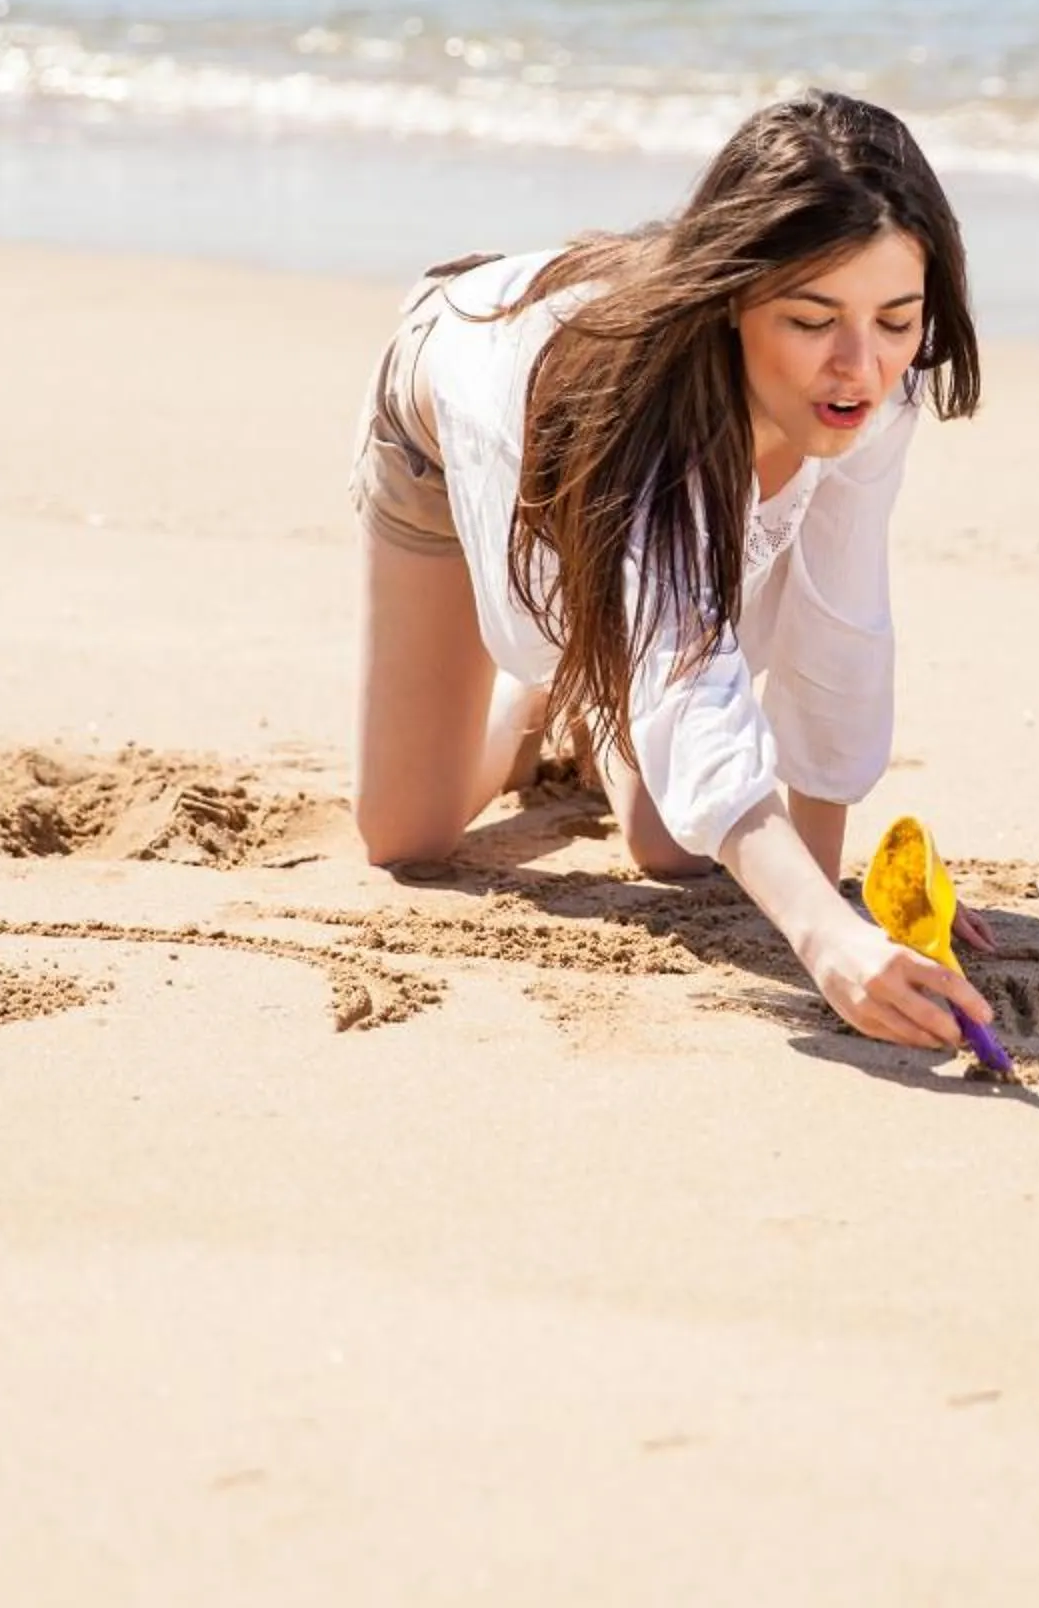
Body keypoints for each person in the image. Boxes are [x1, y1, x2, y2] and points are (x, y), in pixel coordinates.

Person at [346, 91, 997, 1055]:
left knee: (675, 850)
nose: (860, 367)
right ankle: (554, 687)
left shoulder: (871, 398)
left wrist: (836, 909)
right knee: (409, 837)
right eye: (813, 318)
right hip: (452, 419)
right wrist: (822, 941)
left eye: (897, 320)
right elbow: (693, 691)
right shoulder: (646, 425)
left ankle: (609, 663)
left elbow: (842, 632)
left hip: (646, 520)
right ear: (734, 301)